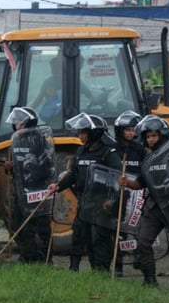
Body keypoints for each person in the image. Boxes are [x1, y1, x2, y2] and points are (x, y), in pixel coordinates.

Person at [119, 115, 169, 287]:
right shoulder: (148, 160)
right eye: (148, 136)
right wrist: (127, 183)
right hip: (154, 207)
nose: (150, 139)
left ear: (162, 135)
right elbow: (140, 183)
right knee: (143, 241)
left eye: (154, 135)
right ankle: (149, 280)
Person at [47, 113, 122, 272]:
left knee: (99, 239)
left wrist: (113, 200)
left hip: (101, 203)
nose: (79, 135)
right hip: (84, 201)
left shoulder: (108, 154)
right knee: (81, 236)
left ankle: (101, 271)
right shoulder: (81, 151)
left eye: (83, 132)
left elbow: (118, 179)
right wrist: (57, 186)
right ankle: (75, 268)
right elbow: (73, 174)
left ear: (93, 133)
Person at [4, 107, 53, 263]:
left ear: (28, 122)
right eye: (15, 121)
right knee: (21, 223)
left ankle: (45, 258)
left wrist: (31, 167)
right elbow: (17, 166)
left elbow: (47, 164)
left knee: (41, 225)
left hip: (37, 188)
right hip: (20, 188)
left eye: (20, 121)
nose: (16, 124)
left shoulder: (39, 139)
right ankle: (27, 256)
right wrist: (11, 167)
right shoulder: (16, 139)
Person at [112, 110, 144, 276]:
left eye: (133, 130)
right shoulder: (113, 149)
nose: (131, 133)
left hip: (137, 194)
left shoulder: (139, 149)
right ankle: (118, 266)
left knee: (139, 228)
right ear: (120, 131)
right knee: (120, 230)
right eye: (127, 130)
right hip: (119, 194)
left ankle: (140, 257)